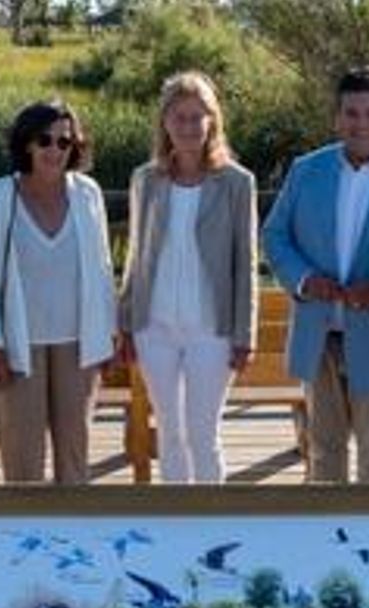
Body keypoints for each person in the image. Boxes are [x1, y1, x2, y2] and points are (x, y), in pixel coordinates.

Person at [262, 66, 369, 484]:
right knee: (322, 455)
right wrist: (303, 280)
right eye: (352, 113)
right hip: (319, 336)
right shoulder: (306, 170)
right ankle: (323, 548)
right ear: (337, 118)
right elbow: (276, 236)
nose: (363, 123)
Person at [118, 71, 257, 484]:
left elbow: (245, 262)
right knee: (170, 433)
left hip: (211, 331)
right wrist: (125, 322)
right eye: (179, 117)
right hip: (154, 328)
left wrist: (244, 334)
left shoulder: (236, 182)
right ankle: (175, 525)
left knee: (202, 433)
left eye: (198, 117)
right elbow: (135, 257)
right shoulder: (146, 179)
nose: (189, 126)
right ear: (165, 122)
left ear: (212, 121)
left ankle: (213, 522)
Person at [0, 101, 117, 485]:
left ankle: (73, 534)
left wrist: (108, 334)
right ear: (26, 144)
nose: (55, 150)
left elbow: (103, 269)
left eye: (64, 141)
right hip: (19, 345)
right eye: (44, 140)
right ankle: (23, 537)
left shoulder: (88, 194)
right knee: (22, 456)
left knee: (74, 453)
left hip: (79, 341)